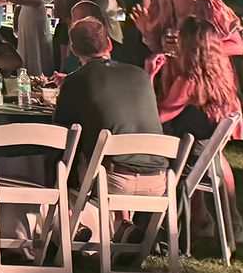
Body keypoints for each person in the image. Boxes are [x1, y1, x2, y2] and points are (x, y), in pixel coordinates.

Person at [152, 15, 243, 242]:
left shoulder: (189, 80)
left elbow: (157, 116)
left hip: (185, 159)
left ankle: (138, 224)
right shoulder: (221, 77)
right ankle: (209, 219)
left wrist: (150, 74)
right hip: (206, 154)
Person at [53, 18, 168, 189]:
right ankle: (122, 217)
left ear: (74, 50)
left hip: (110, 179)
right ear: (109, 44)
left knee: (67, 163)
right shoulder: (140, 75)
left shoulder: (77, 80)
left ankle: (63, 212)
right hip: (158, 180)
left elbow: (62, 128)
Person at [12, 0, 53, 74]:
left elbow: (41, 0)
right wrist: (28, 3)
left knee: (42, 43)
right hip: (29, 15)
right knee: (31, 44)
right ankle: (30, 73)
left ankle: (42, 74)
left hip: (40, 16)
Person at [49, 0, 83, 65]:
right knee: (65, 61)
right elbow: (64, 14)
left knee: (62, 60)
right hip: (65, 28)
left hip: (62, 28)